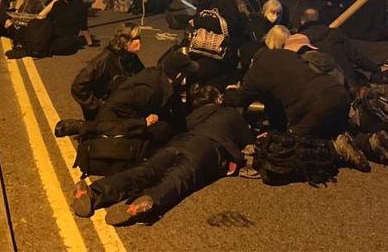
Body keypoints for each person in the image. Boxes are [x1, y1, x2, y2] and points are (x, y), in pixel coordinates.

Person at [72, 84, 253, 226]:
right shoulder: (231, 114)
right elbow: (247, 141)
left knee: (145, 170)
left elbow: (182, 126)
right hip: (207, 149)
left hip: (180, 142)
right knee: (177, 179)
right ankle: (148, 201)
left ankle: (94, 192)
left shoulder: (197, 114)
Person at [55, 51, 199, 178]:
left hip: (123, 114)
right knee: (162, 130)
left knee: (165, 124)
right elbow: (119, 105)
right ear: (179, 74)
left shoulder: (159, 77)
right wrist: (143, 122)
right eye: (186, 74)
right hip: (114, 121)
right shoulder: (148, 90)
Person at [239, 30, 367, 170]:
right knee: (333, 131)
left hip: (317, 105)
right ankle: (371, 142)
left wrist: (229, 93)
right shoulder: (286, 54)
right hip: (339, 94)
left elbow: (241, 98)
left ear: (251, 60)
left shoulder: (256, 71)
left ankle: (334, 150)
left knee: (290, 148)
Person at [296, 6, 388, 92]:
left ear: (302, 21)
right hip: (346, 84)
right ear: (318, 19)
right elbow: (356, 57)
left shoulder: (297, 40)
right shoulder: (334, 33)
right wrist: (376, 69)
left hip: (318, 88)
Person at [70, 23, 145, 120]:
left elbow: (142, 77)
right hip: (105, 110)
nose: (139, 41)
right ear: (124, 41)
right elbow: (78, 86)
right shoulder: (104, 60)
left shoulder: (130, 56)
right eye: (135, 38)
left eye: (139, 37)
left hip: (119, 104)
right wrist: (98, 106)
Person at [187, 0, 248, 85]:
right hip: (204, 46)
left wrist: (200, 21)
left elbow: (230, 26)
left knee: (195, 72)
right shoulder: (203, 2)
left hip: (223, 51)